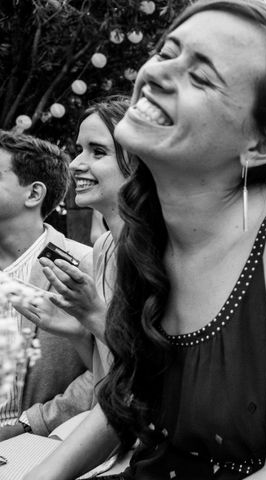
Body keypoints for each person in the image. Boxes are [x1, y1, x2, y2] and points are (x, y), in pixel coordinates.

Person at [25, 1, 266, 479]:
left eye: (202, 77)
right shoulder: (139, 230)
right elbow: (127, 393)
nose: (158, 75)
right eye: (167, 52)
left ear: (261, 145)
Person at [18, 97, 135, 396]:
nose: (75, 164)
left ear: (138, 161)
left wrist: (94, 316)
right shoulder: (105, 249)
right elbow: (107, 381)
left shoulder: (167, 251)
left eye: (97, 151)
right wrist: (79, 332)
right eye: (79, 149)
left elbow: (155, 378)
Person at [0, 130, 93, 439]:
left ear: (33, 194)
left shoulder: (86, 267)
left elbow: (109, 373)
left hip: (37, 453)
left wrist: (29, 425)